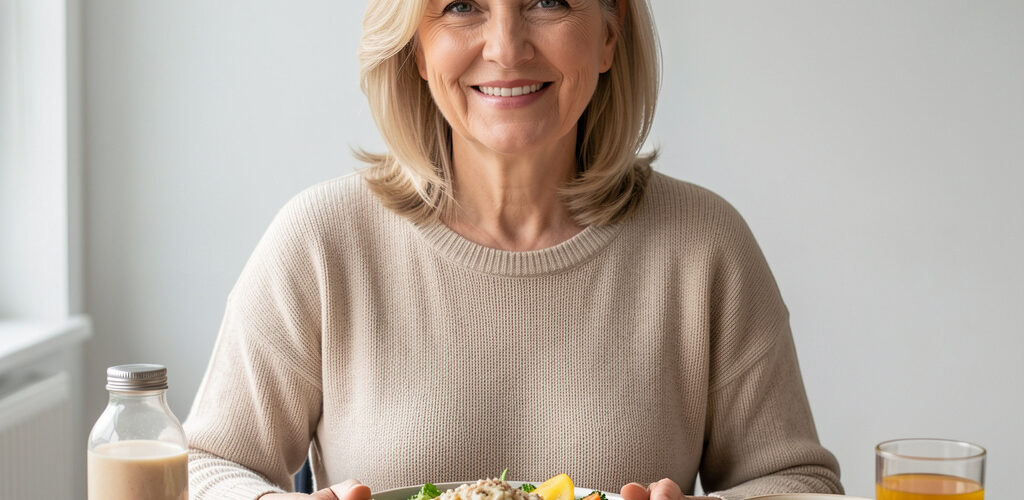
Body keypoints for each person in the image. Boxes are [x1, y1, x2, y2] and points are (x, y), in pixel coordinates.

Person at [184, 0, 844, 499]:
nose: (505, 47)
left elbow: (799, 482)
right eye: (461, 6)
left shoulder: (705, 244)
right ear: (417, 46)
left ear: (610, 32)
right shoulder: (322, 241)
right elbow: (202, 466)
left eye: (548, 0)